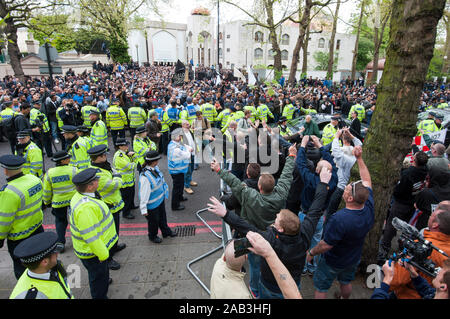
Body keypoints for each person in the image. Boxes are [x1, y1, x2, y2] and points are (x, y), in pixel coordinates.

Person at [208, 164, 331, 299]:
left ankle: (254, 290)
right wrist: (323, 183)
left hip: (270, 287)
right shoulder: (305, 233)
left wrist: (226, 214)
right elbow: (316, 208)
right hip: (293, 285)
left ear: (280, 229)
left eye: (277, 219)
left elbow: (246, 227)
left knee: (256, 270)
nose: (275, 218)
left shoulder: (270, 239)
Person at [211, 144, 297, 298]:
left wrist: (219, 170)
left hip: (253, 236)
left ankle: (254, 289)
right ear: (274, 187)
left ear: (259, 186)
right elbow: (286, 176)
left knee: (255, 264)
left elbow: (235, 183)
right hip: (271, 235)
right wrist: (291, 157)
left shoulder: (251, 196)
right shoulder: (280, 195)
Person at [307, 145, 374, 299]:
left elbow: (326, 244)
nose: (344, 190)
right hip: (353, 257)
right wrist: (359, 159)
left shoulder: (339, 218)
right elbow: (367, 180)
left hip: (333, 260)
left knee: (321, 288)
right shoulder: (368, 204)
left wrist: (311, 252)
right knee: (346, 282)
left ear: (350, 198)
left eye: (347, 190)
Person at [69, 168, 117, 299]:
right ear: (90, 186)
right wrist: (103, 254)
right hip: (94, 253)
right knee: (97, 278)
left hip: (96, 249)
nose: (99, 180)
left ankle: (103, 282)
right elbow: (91, 236)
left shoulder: (82, 195)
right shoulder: (86, 208)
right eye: (96, 179)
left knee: (100, 275)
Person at [388, 200, 450, 299]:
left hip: (408, 295)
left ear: (435, 225)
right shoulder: (445, 247)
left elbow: (397, 279)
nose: (429, 216)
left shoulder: (424, 248)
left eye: (432, 215)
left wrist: (382, 286)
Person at [377, 151, 429, 265]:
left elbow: (399, 190)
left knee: (391, 225)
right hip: (413, 203)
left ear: (414, 161)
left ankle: (383, 250)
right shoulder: (425, 171)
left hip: (402, 203)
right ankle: (402, 247)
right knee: (405, 226)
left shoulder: (408, 173)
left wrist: (395, 191)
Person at [0, 154, 44, 279]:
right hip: (37, 228)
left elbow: (4, 220)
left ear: (5, 170)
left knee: (22, 270)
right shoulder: (33, 179)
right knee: (39, 262)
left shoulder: (9, 192)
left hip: (20, 237)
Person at [87, 145, 126, 270]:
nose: (106, 156)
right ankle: (108, 258)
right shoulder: (96, 173)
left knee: (114, 230)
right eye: (103, 155)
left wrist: (116, 175)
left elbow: (114, 172)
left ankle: (114, 247)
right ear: (97, 158)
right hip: (107, 206)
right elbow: (114, 185)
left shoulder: (104, 165)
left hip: (114, 203)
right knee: (107, 233)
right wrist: (118, 178)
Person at [9, 232, 72, 299]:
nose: (57, 254)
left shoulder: (53, 266)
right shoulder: (33, 296)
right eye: (54, 252)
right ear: (45, 262)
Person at [246, 231, 302, 299]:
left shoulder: (271, 237)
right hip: (292, 282)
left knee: (255, 267)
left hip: (269, 287)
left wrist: (269, 254)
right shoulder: (302, 238)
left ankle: (254, 290)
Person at [139, 150, 177, 243]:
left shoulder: (155, 168)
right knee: (153, 222)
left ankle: (166, 232)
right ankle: (152, 236)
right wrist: (143, 209)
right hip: (151, 205)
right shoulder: (145, 177)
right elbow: (144, 194)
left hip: (159, 200)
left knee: (162, 218)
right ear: (153, 161)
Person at [43, 151, 77, 250]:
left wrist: (47, 202)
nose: (69, 159)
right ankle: (78, 241)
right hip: (73, 200)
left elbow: (47, 191)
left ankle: (60, 242)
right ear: (63, 161)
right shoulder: (74, 170)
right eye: (67, 158)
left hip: (58, 202)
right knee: (75, 222)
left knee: (60, 221)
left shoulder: (50, 173)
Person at [371, 258, 450, 299]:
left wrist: (387, 279)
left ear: (443, 287)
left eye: (442, 269)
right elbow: (428, 291)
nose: (438, 270)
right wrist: (413, 274)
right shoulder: (437, 294)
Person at [112, 138, 137, 219]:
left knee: (131, 194)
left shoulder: (125, 153)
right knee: (126, 197)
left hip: (129, 179)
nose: (127, 146)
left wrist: (133, 156)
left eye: (127, 144)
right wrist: (135, 162)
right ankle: (126, 213)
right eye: (125, 145)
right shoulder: (119, 156)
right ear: (120, 146)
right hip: (124, 180)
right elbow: (129, 167)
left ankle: (131, 206)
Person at [168, 129, 192, 211]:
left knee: (180, 185)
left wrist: (187, 148)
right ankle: (175, 205)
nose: (181, 137)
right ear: (175, 137)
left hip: (179, 170)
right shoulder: (175, 149)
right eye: (180, 136)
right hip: (176, 171)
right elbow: (187, 155)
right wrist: (188, 150)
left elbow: (183, 146)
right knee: (177, 188)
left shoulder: (174, 144)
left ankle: (180, 197)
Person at [180, 120, 197, 195]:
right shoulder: (180, 134)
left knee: (192, 168)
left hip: (192, 153)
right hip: (186, 155)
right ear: (183, 125)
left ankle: (189, 180)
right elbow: (180, 144)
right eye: (187, 125)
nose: (189, 125)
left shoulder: (190, 131)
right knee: (187, 170)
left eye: (189, 124)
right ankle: (186, 186)